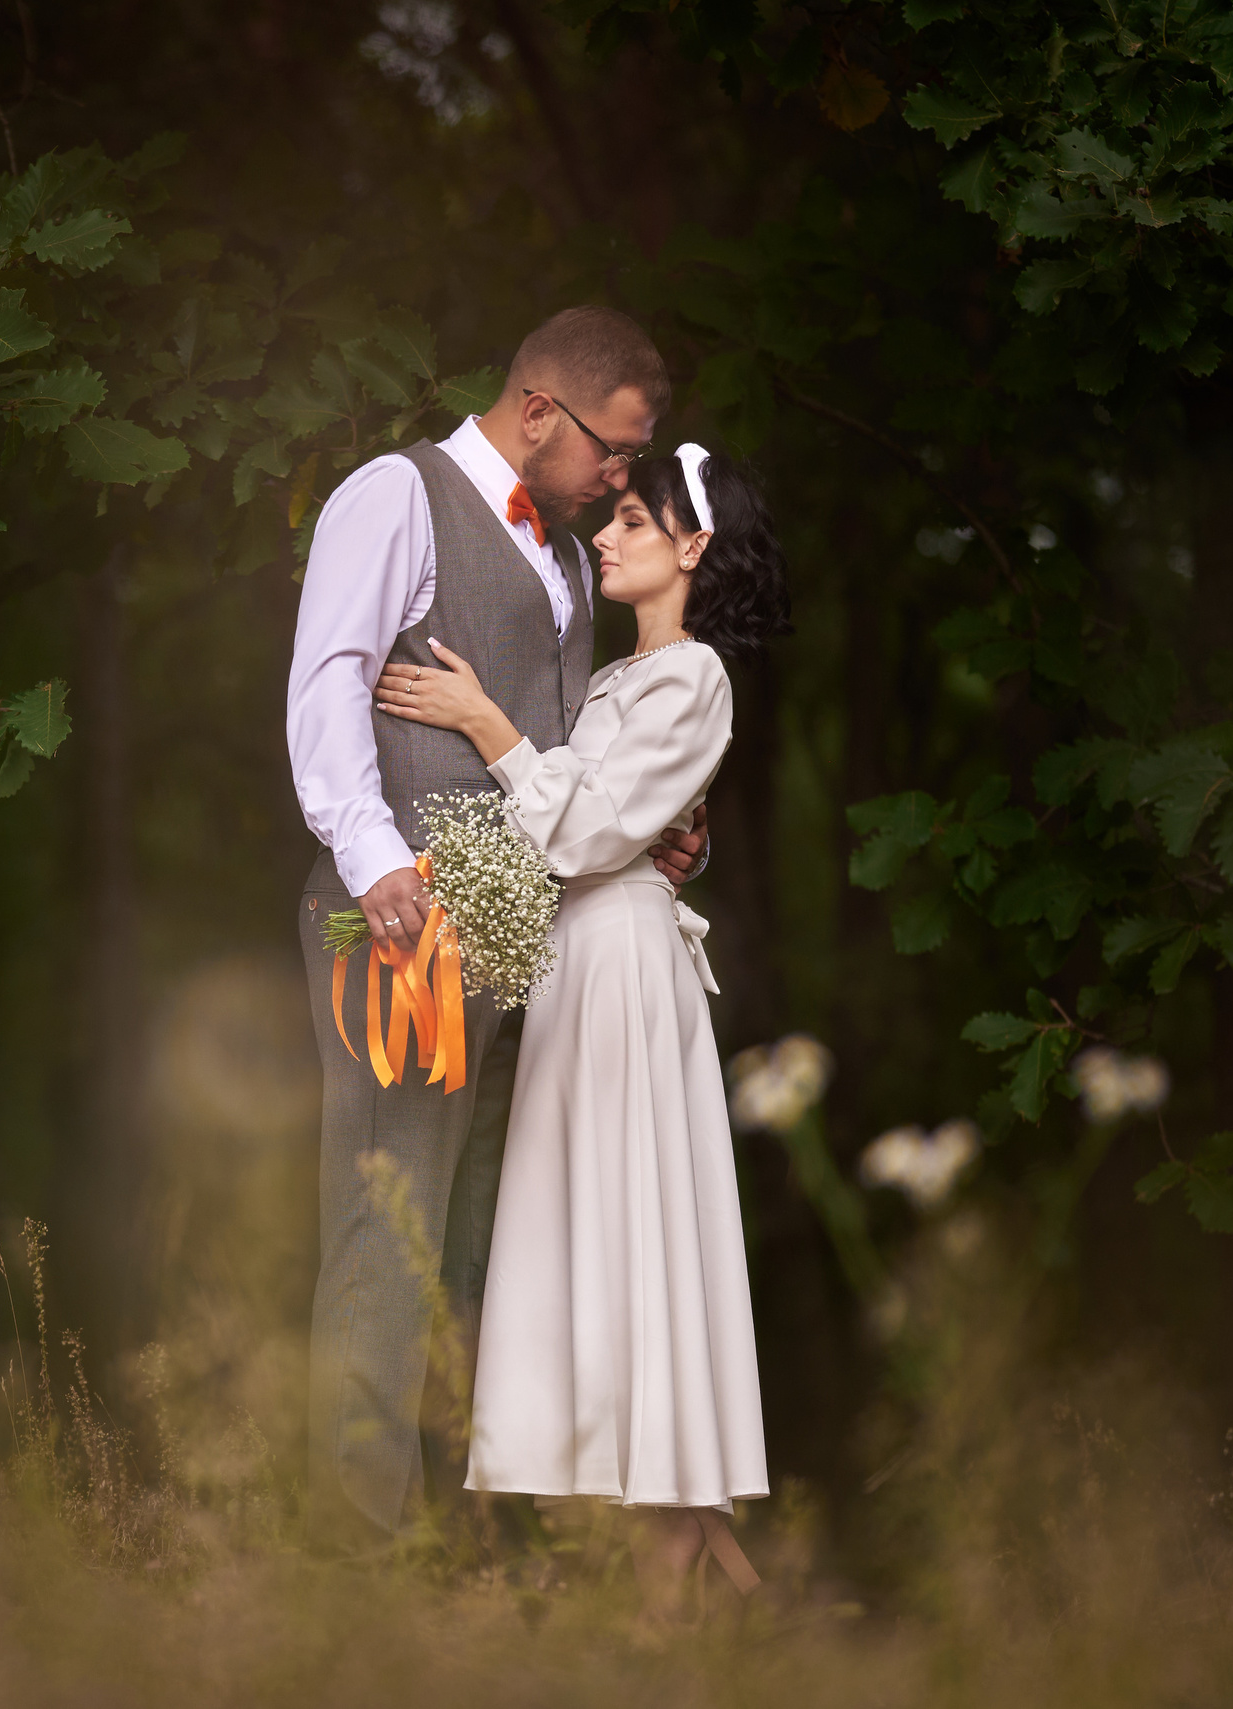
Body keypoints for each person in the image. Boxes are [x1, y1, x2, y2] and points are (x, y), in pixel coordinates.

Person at [285, 306, 706, 1552]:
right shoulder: (394, 495)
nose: (622, 478)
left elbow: (562, 754)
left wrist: (653, 833)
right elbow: (325, 686)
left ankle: (456, 1547)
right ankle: (352, 1557)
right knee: (386, 1218)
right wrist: (373, 868)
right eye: (614, 452)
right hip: (404, 895)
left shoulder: (574, 561)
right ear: (539, 413)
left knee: (481, 1232)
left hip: (526, 903)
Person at [371, 443, 793, 1618]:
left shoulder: (693, 675)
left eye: (631, 521)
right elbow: (583, 825)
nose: (603, 537)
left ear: (691, 547)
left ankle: (677, 1579)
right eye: (606, 518)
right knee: (590, 1244)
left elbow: (582, 833)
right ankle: (705, 1573)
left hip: (620, 977)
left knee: (630, 1235)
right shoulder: (616, 680)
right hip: (571, 969)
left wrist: (482, 718)